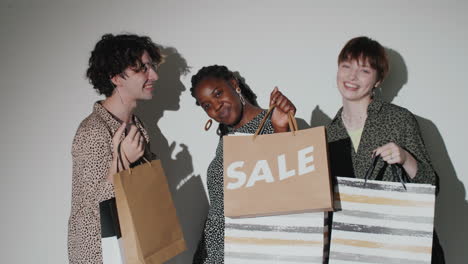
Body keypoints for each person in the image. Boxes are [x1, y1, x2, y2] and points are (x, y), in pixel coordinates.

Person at [326, 36, 444, 263]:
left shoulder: (399, 119)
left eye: (364, 71)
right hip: (354, 251)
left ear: (378, 80)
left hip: (400, 247)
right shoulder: (329, 134)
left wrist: (406, 158)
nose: (352, 76)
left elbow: (432, 187)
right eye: (346, 66)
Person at [67, 33, 161, 264]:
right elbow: (92, 210)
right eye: (142, 69)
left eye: (152, 67)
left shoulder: (137, 126)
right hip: (101, 254)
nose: (154, 75)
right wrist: (123, 161)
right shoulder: (93, 131)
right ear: (115, 77)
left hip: (135, 245)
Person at [190, 65, 296, 263]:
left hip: (253, 253)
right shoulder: (226, 138)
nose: (216, 107)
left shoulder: (274, 124)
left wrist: (282, 130)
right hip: (214, 254)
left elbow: (293, 186)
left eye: (218, 93)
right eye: (207, 105)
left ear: (233, 84)